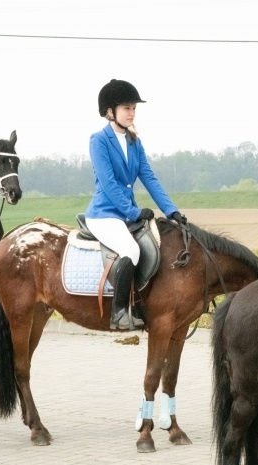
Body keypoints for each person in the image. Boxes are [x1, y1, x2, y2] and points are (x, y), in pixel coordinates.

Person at [84, 79, 186, 331]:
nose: (132, 113)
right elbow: (108, 183)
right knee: (131, 250)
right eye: (126, 108)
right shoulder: (99, 141)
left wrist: (171, 210)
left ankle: (140, 304)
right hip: (105, 214)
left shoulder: (134, 142)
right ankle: (118, 313)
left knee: (155, 246)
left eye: (133, 109)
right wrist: (132, 211)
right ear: (110, 111)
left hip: (126, 215)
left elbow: (149, 177)